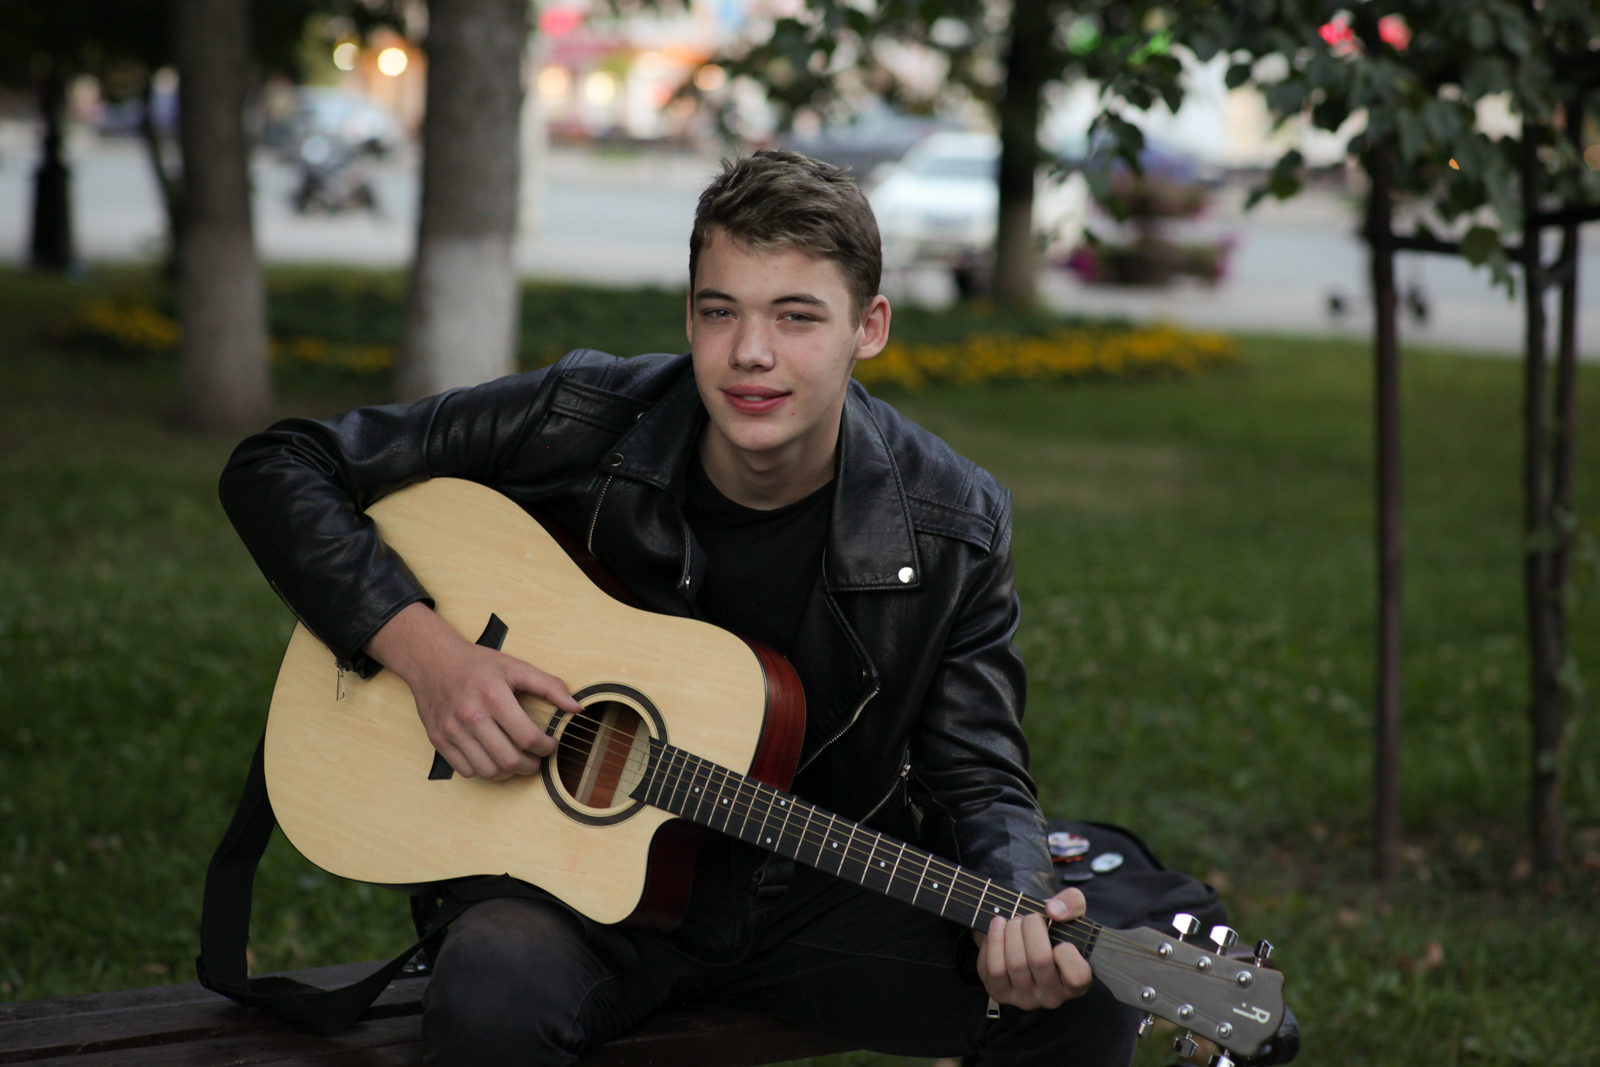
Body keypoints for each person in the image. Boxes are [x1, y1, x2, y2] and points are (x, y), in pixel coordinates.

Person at [220, 151, 1140, 1066]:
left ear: (870, 327)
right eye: (720, 311)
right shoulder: (585, 416)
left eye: (796, 316)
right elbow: (281, 466)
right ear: (690, 316)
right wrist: (433, 658)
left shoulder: (954, 523)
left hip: (806, 890)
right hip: (572, 897)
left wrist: (1016, 900)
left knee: (1087, 1000)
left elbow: (977, 774)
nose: (750, 352)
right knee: (491, 996)